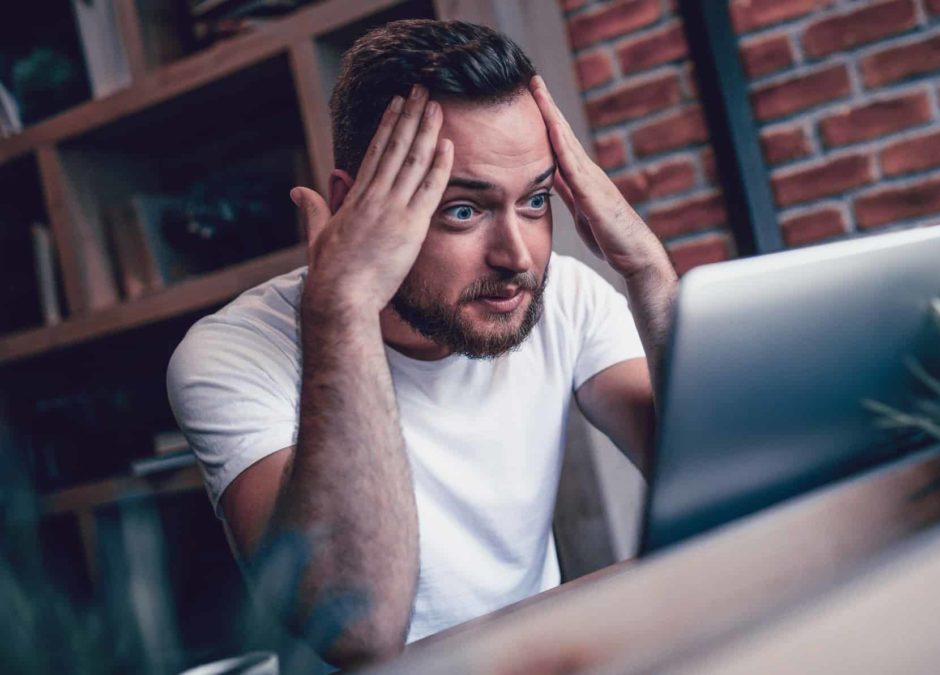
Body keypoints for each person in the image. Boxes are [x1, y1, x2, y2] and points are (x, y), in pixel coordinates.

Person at [165, 19, 678, 669]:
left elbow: (712, 477)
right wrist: (341, 307)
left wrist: (648, 274)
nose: (516, 256)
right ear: (355, 205)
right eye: (463, 210)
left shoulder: (564, 297)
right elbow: (359, 629)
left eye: (536, 200)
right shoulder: (230, 354)